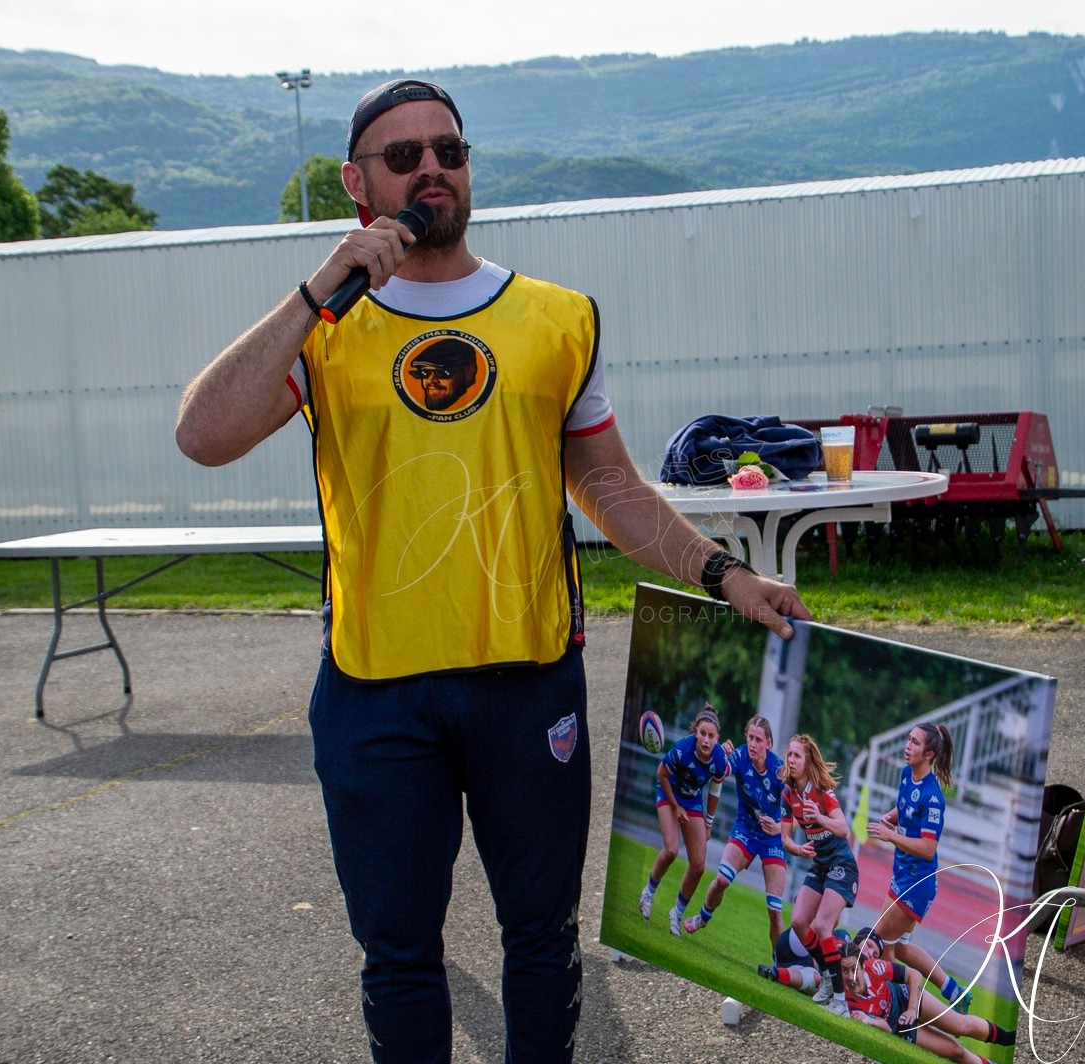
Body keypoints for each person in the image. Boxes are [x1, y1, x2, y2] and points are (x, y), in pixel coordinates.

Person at [174, 77, 811, 1064]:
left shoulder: (555, 319)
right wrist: (314, 291)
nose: (432, 168)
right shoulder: (327, 331)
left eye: (450, 151)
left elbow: (609, 484)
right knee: (397, 953)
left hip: (527, 684)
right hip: (375, 691)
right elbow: (203, 433)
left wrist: (722, 573)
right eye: (403, 156)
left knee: (541, 943)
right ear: (357, 184)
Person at [866, 721, 968, 1011]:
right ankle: (953, 990)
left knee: (881, 942)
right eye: (908, 739)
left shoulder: (933, 798)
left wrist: (891, 836)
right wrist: (892, 817)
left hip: (917, 883)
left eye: (914, 743)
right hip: (902, 875)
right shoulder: (906, 775)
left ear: (929, 755)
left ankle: (888, 1005)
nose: (907, 746)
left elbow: (927, 849)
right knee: (900, 948)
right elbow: (906, 808)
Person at [761, 733, 858, 1013]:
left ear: (808, 760)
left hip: (842, 865)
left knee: (822, 927)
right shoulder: (788, 794)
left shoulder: (823, 792)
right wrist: (798, 850)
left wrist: (819, 818)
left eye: (797, 756)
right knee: (800, 922)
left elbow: (842, 829)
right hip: (820, 865)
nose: (791, 760)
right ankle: (828, 978)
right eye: (789, 755)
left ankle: (840, 1000)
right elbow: (786, 838)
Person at [684, 718, 794, 953]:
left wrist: (779, 828)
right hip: (745, 829)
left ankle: (781, 962)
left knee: (774, 909)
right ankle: (703, 917)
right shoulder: (741, 756)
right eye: (750, 738)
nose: (753, 744)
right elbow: (719, 772)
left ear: (769, 743)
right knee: (722, 879)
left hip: (772, 839)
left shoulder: (779, 772)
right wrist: (720, 753)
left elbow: (796, 815)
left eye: (758, 740)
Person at [838, 940, 1013, 1063]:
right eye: (845, 971)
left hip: (905, 996)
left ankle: (1011, 1039)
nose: (850, 976)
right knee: (956, 1052)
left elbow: (914, 975)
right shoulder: (850, 1002)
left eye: (854, 969)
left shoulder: (875, 967)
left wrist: (912, 1008)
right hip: (899, 1025)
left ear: (863, 966)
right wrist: (868, 1020)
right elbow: (886, 1027)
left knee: (961, 1026)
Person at [641, 705, 731, 936]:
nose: (706, 740)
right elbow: (661, 774)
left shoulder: (719, 758)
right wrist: (674, 806)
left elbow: (715, 789)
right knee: (671, 850)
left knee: (699, 865)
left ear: (717, 738)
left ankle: (677, 913)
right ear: (695, 732)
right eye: (702, 733)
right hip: (668, 793)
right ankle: (648, 893)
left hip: (692, 802)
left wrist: (708, 822)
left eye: (711, 736)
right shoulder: (682, 749)